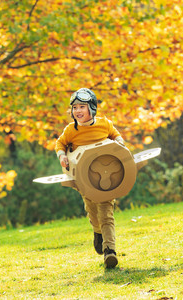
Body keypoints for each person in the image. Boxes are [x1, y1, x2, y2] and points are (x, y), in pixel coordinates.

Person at [55, 88, 124, 269]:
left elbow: (116, 135)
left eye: (82, 107)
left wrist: (120, 143)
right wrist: (62, 156)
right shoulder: (71, 130)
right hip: (85, 180)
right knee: (93, 213)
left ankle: (110, 251)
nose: (77, 111)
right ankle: (97, 231)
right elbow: (60, 144)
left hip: (106, 179)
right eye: (74, 107)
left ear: (92, 108)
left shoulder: (104, 124)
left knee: (106, 214)